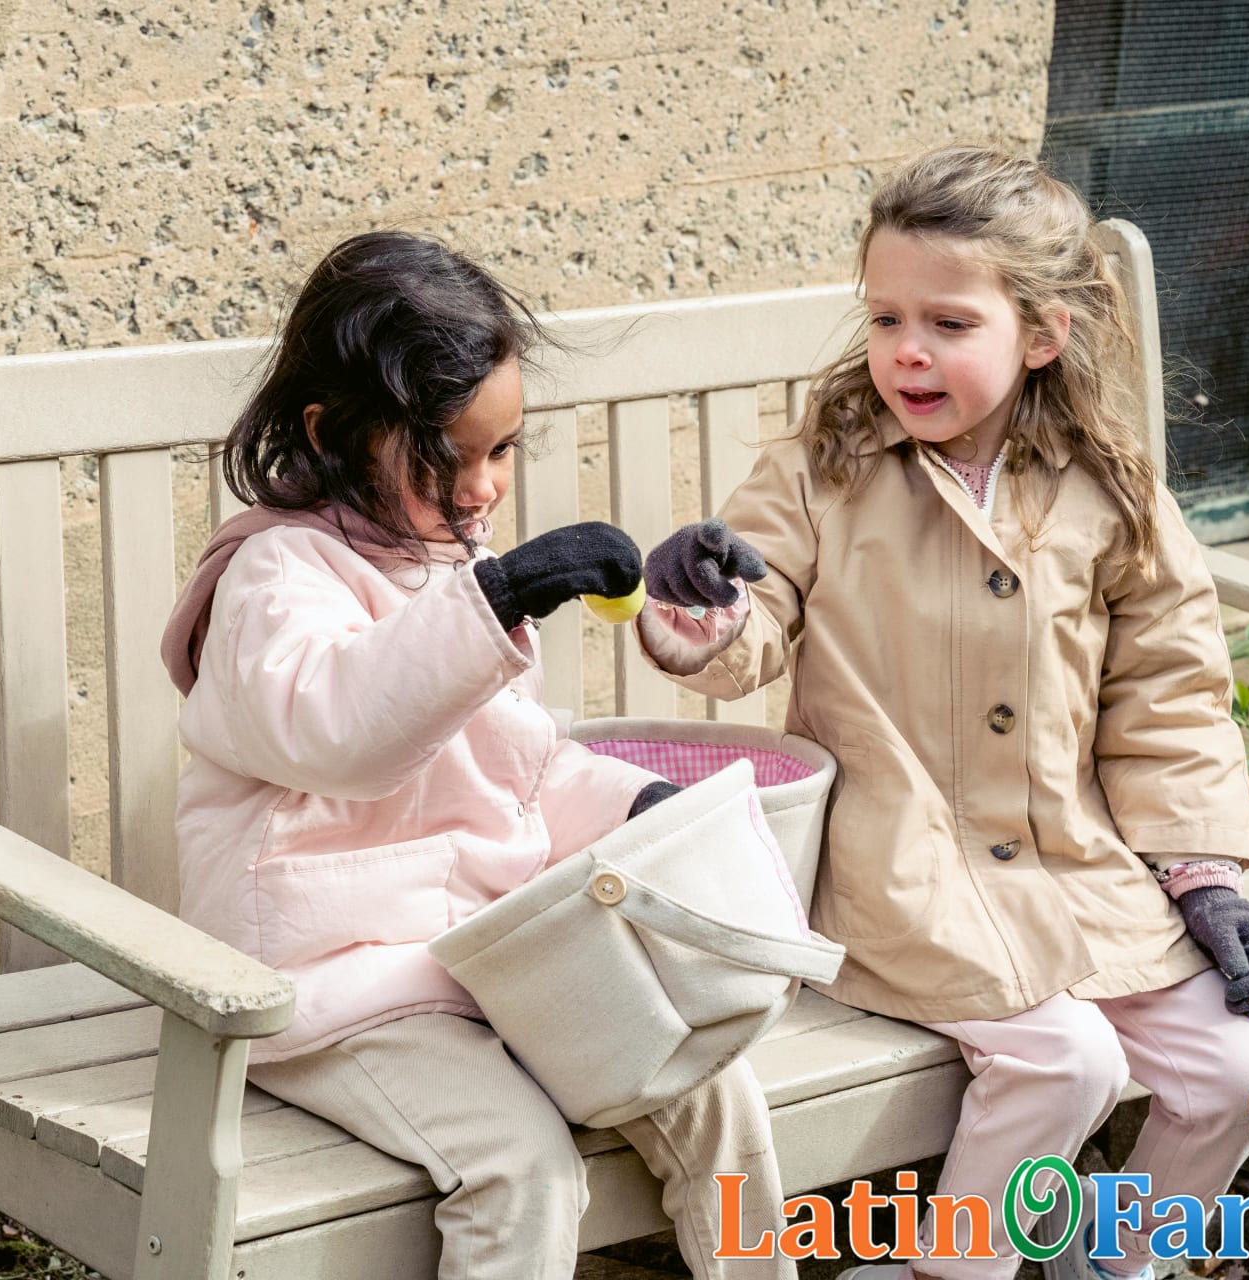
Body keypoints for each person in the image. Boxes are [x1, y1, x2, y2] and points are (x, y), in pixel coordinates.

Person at [634, 146, 1249, 1280]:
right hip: (899, 865)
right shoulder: (823, 469)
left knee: (1238, 1064)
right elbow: (757, 619)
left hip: (1076, 864)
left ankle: (1116, 1257)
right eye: (885, 318)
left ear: (1041, 334)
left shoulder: (1108, 488)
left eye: (948, 321)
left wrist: (1200, 869)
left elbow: (1167, 687)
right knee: (1067, 1060)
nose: (907, 351)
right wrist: (703, 607)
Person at [160, 230, 794, 1280]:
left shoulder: (444, 563)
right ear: (331, 432)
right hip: (323, 983)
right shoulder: (276, 578)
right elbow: (347, 731)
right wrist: (499, 597)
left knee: (710, 1083)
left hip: (482, 953)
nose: (480, 488)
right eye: (443, 457)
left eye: (499, 451)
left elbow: (521, 769)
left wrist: (638, 804)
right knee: (519, 1164)